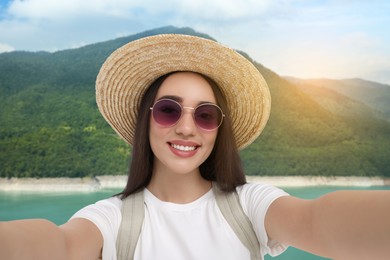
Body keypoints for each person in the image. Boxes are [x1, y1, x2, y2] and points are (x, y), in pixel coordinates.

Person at [1, 34, 389, 260]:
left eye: (205, 115)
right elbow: (61, 245)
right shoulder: (112, 218)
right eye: (169, 110)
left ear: (219, 129)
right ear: (146, 119)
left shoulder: (250, 205)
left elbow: (316, 221)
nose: (187, 127)